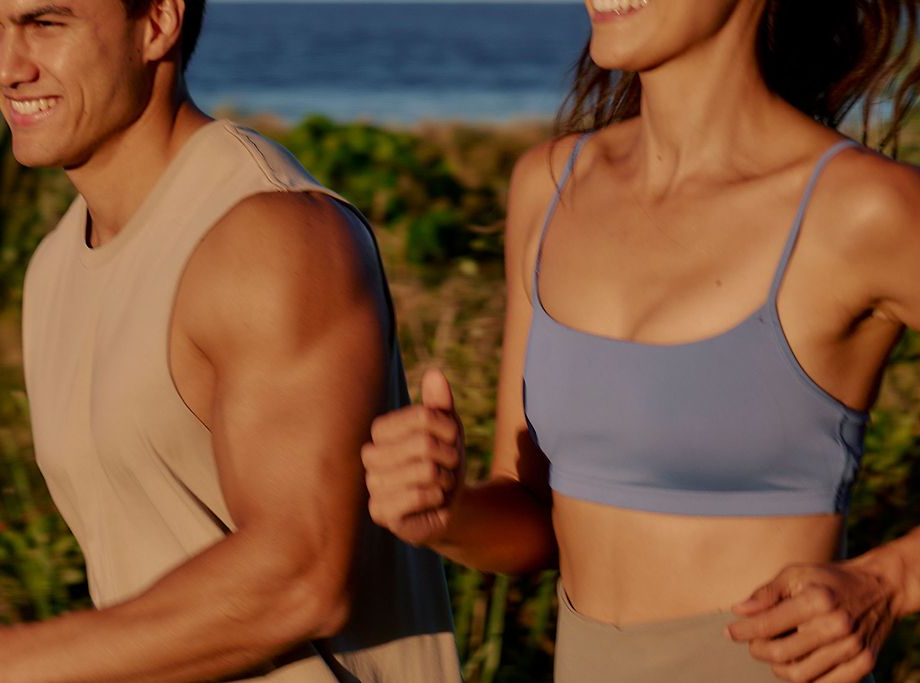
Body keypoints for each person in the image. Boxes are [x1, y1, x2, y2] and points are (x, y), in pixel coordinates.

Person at [0, 0, 461, 681]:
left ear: (159, 23)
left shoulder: (270, 236)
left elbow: (300, 577)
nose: (8, 67)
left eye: (48, 24)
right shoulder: (53, 264)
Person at [362, 0, 920, 680]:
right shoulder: (549, 186)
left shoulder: (862, 208)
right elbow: (534, 513)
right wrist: (443, 515)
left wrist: (890, 578)